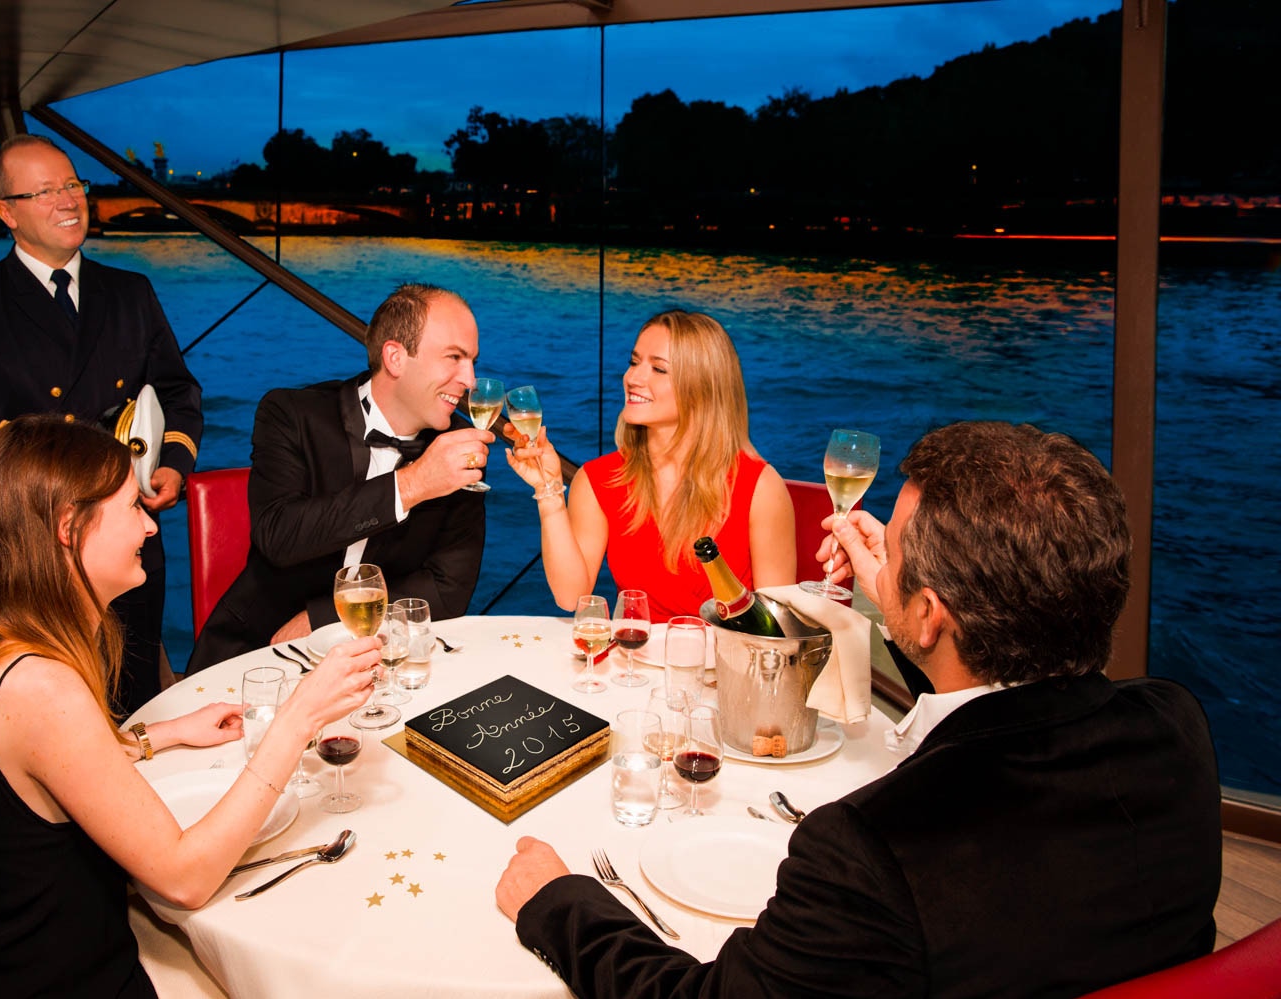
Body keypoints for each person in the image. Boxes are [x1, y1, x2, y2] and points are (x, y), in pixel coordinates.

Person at [495, 421, 1223, 998]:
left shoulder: (871, 849)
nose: (883, 561)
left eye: (896, 554)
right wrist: (896, 592)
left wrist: (559, 902)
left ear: (933, 614)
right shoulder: (1175, 727)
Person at [0, 415, 377, 998]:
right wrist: (297, 720)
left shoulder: (10, 652)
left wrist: (157, 736)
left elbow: (51, 775)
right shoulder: (43, 689)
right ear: (69, 527)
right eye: (130, 508)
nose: (149, 527)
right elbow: (185, 879)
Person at [0, 133, 203, 716]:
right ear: (7, 211)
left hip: (130, 528)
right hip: (31, 533)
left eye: (72, 184)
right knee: (50, 701)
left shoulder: (131, 291)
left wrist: (173, 464)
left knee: (134, 688)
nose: (68, 200)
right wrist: (49, 462)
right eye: (45, 191)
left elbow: (178, 391)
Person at [187, 283, 491, 669]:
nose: (470, 379)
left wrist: (324, 619)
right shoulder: (292, 415)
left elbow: (448, 590)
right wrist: (412, 484)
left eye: (473, 361)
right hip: (261, 650)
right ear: (396, 358)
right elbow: (279, 535)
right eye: (455, 357)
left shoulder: (458, 447)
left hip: (385, 657)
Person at [505, 309, 795, 620]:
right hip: (636, 661)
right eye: (634, 362)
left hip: (728, 662)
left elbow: (776, 626)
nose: (633, 378)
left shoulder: (760, 486)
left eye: (658, 369)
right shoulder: (598, 479)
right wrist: (547, 490)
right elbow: (570, 596)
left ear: (702, 388)